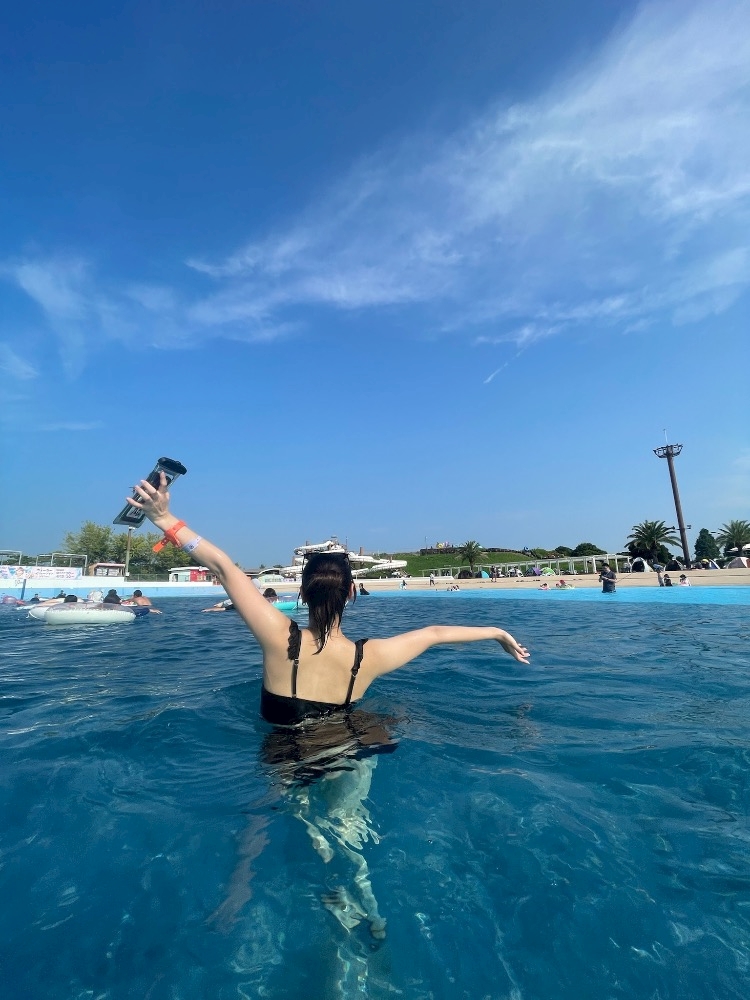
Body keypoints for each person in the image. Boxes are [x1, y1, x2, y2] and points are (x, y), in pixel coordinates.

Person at [130, 473, 529, 939]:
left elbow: (220, 564)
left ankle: (236, 896)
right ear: (352, 593)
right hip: (347, 749)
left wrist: (164, 518)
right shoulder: (370, 656)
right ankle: (368, 908)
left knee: (266, 827)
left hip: (284, 754)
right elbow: (435, 633)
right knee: (348, 831)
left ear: (301, 594)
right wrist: (498, 633)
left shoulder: (277, 636)